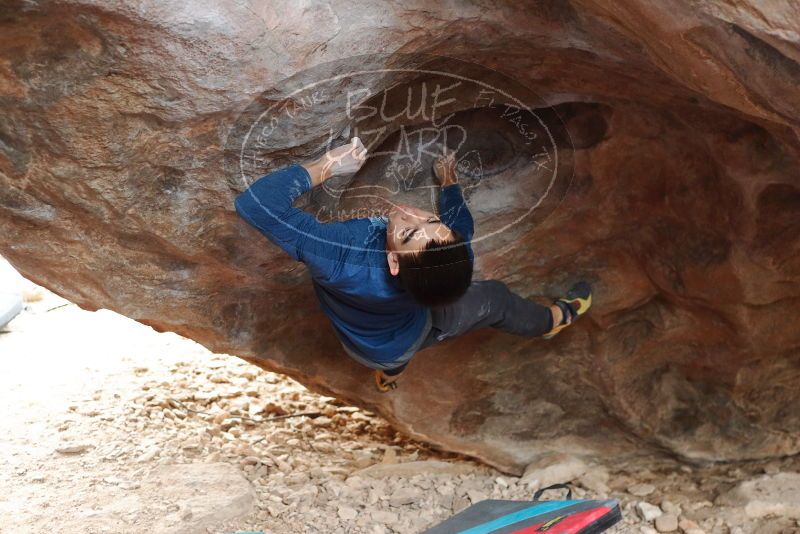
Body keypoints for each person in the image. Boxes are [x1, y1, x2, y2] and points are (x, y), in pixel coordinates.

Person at [234, 138, 592, 392]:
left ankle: (391, 376)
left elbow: (256, 205)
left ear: (393, 261)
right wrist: (448, 180)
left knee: (395, 356)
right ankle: (553, 320)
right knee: (493, 298)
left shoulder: (342, 258)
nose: (409, 214)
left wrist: (327, 165)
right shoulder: (453, 249)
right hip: (403, 330)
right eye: (425, 223)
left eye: (408, 234)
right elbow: (459, 224)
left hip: (373, 345)